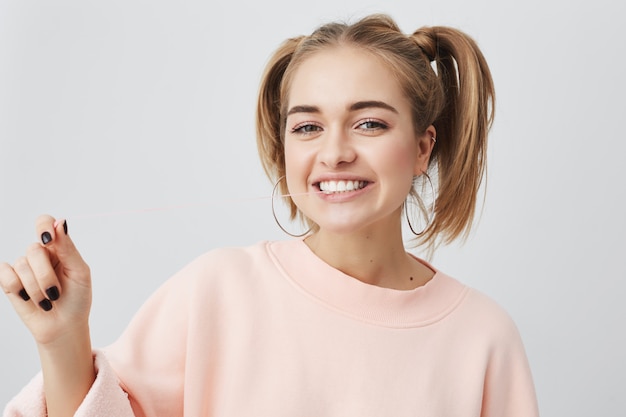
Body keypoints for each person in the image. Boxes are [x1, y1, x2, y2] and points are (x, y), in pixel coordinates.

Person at [1, 14, 539, 417]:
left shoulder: (483, 338)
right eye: (307, 127)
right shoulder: (217, 290)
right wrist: (62, 339)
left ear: (423, 148)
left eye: (369, 124)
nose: (334, 153)